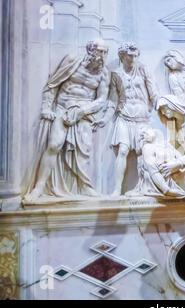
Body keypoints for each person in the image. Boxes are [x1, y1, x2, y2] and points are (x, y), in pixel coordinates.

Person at [24, 39, 110, 201]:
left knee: (84, 150)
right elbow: (53, 85)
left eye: (106, 52)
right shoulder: (72, 61)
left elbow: (102, 99)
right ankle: (39, 186)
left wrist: (82, 111)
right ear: (90, 50)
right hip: (63, 108)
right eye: (100, 51)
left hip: (84, 112)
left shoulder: (104, 73)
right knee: (54, 144)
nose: (103, 56)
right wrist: (46, 108)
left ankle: (84, 186)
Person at [97, 42, 158, 196]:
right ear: (122, 56)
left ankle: (143, 187)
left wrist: (164, 110)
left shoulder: (143, 70)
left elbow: (154, 94)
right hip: (124, 115)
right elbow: (112, 100)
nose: (133, 59)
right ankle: (117, 189)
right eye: (130, 56)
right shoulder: (115, 74)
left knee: (143, 152)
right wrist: (105, 119)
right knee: (122, 150)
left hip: (142, 117)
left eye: (136, 55)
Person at [139, 127, 185, 198]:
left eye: (146, 131)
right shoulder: (147, 148)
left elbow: (181, 158)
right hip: (171, 180)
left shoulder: (164, 143)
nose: (144, 134)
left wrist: (178, 165)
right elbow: (153, 172)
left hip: (183, 173)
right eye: (142, 135)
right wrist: (166, 190)